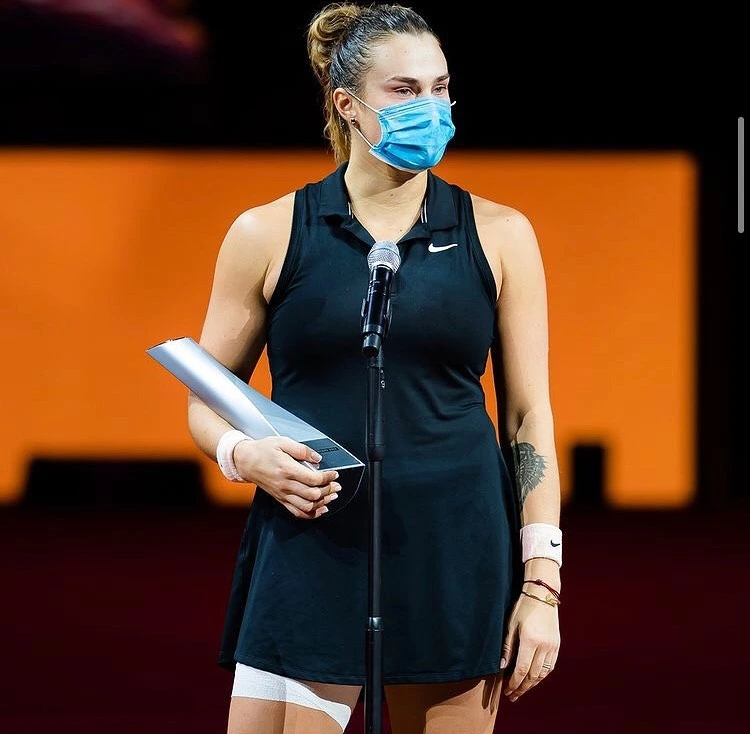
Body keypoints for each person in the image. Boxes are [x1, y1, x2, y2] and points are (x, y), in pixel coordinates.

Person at [186, 3, 563, 732]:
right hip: (309, 545)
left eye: (440, 87)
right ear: (346, 105)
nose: (430, 107)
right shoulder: (266, 232)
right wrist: (244, 455)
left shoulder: (502, 233)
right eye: (403, 90)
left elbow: (527, 415)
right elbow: (209, 396)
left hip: (456, 551)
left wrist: (541, 583)